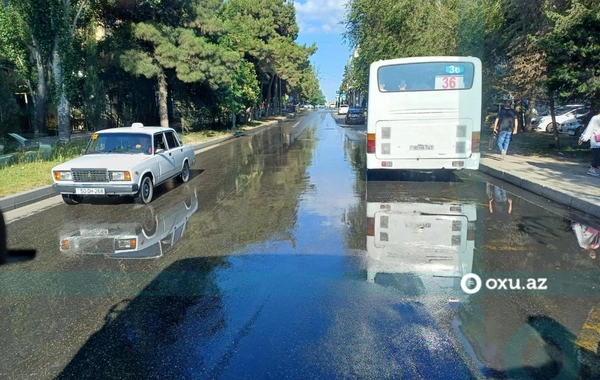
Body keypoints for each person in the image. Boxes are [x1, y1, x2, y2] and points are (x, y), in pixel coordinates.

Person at [578, 109, 600, 177]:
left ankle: (592, 169)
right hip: (596, 140)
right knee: (597, 155)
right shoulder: (595, 118)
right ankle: (592, 169)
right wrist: (583, 137)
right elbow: (589, 128)